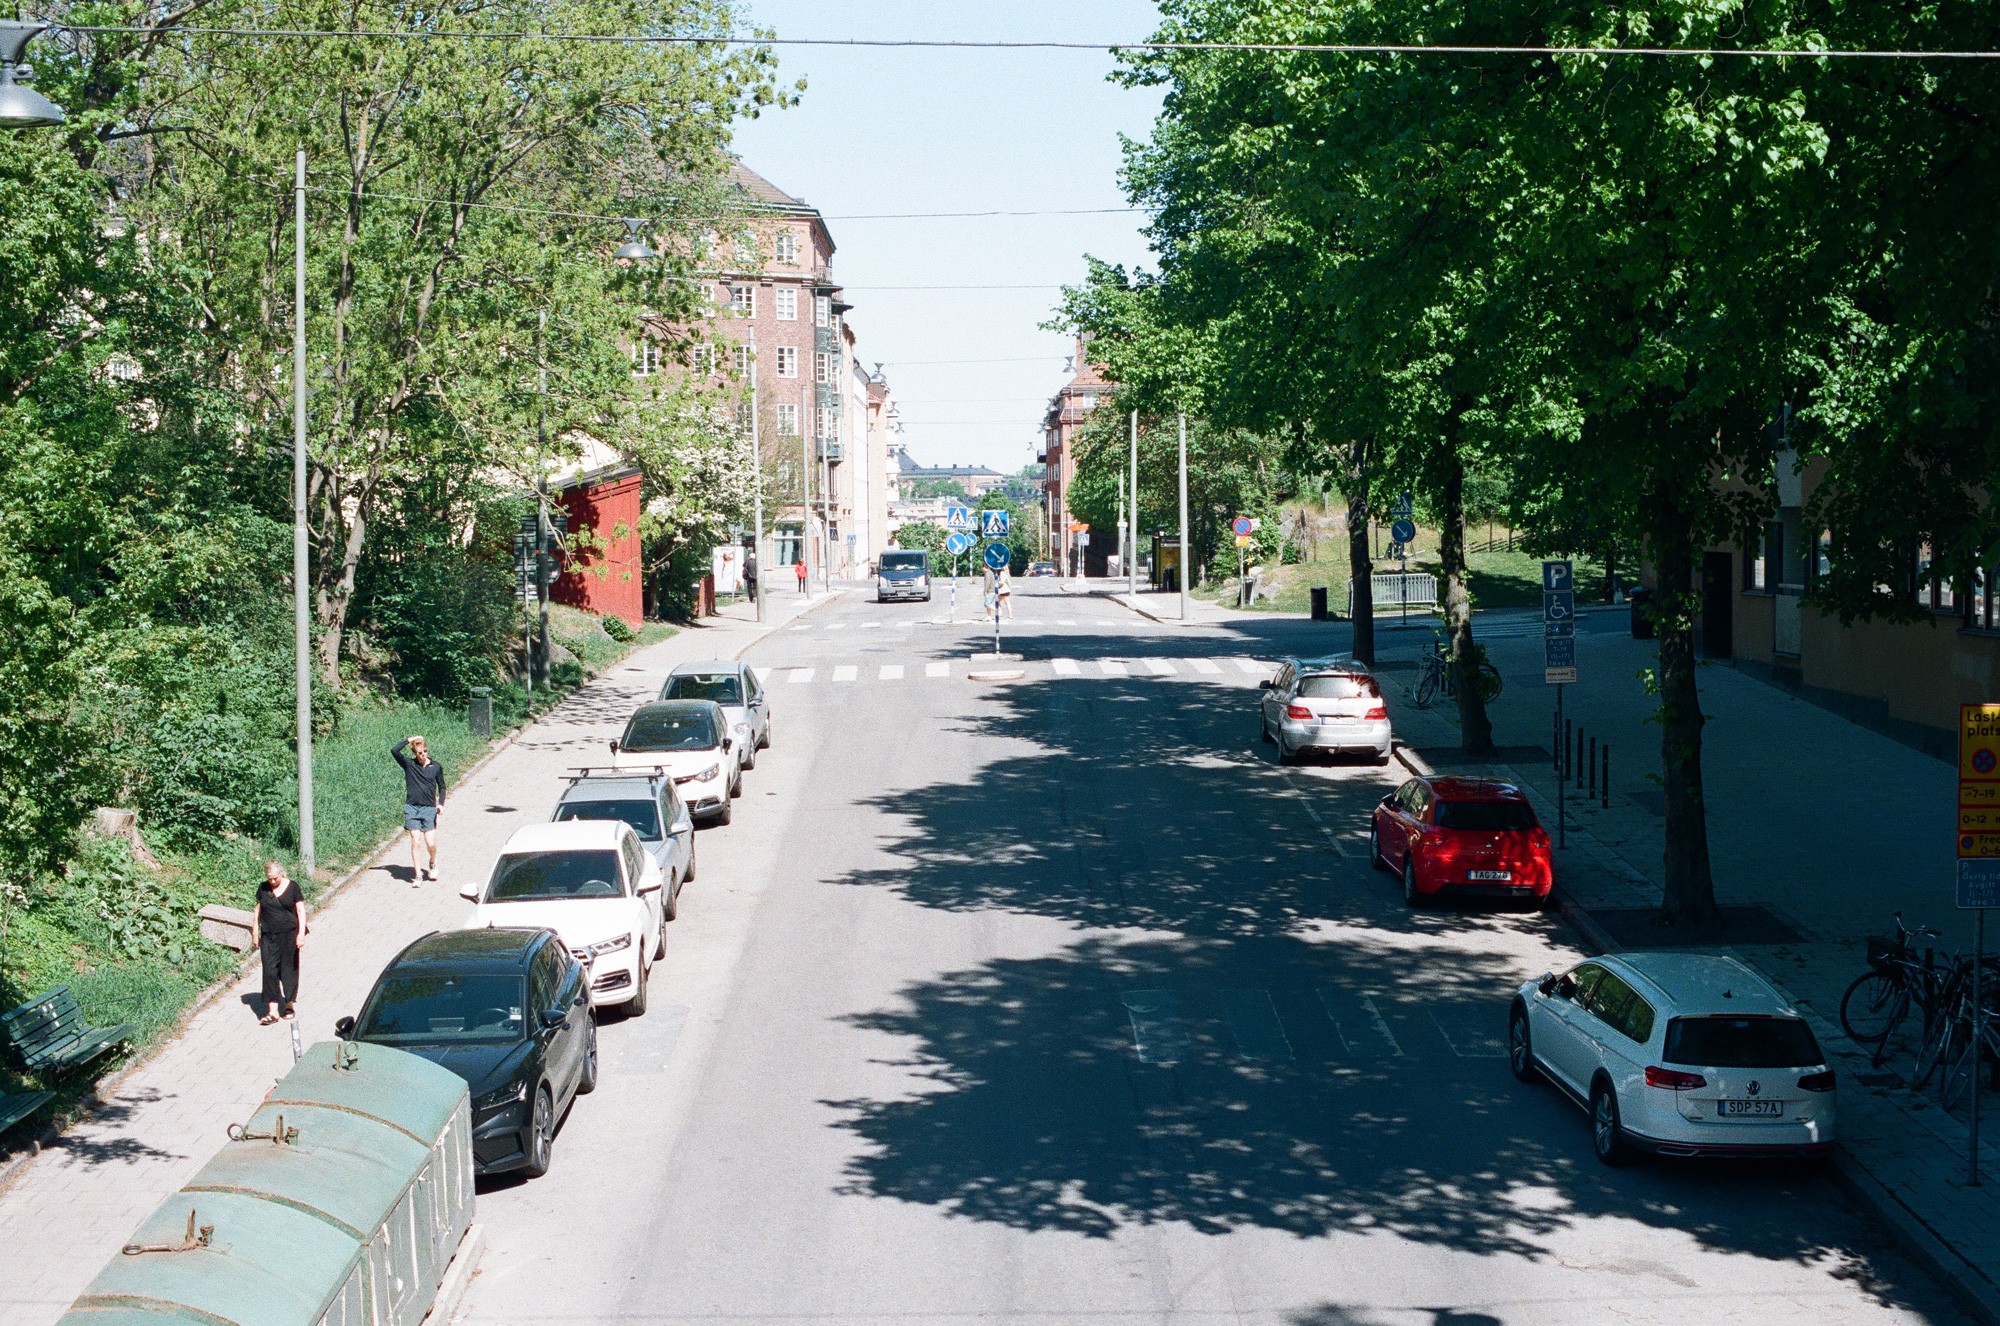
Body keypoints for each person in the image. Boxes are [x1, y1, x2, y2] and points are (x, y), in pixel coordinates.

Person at [250, 861, 307, 1024]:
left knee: (288, 970)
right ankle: (273, 1012)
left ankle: (288, 1004)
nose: (272, 881)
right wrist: (255, 931)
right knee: (269, 971)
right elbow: (258, 910)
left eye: (275, 878)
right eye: (270, 878)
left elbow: (300, 910)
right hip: (269, 936)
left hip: (289, 935)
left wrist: (301, 934)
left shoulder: (293, 887)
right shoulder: (263, 888)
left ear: (281, 873)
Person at [393, 735, 446, 883]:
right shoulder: (409, 765)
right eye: (420, 753)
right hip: (412, 808)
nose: (423, 755)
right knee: (415, 841)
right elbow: (394, 750)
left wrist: (441, 804)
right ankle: (418, 876)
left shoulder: (436, 767)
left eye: (425, 751)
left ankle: (433, 863)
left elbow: (442, 787)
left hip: (429, 808)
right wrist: (410, 739)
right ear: (415, 754)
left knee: (430, 843)